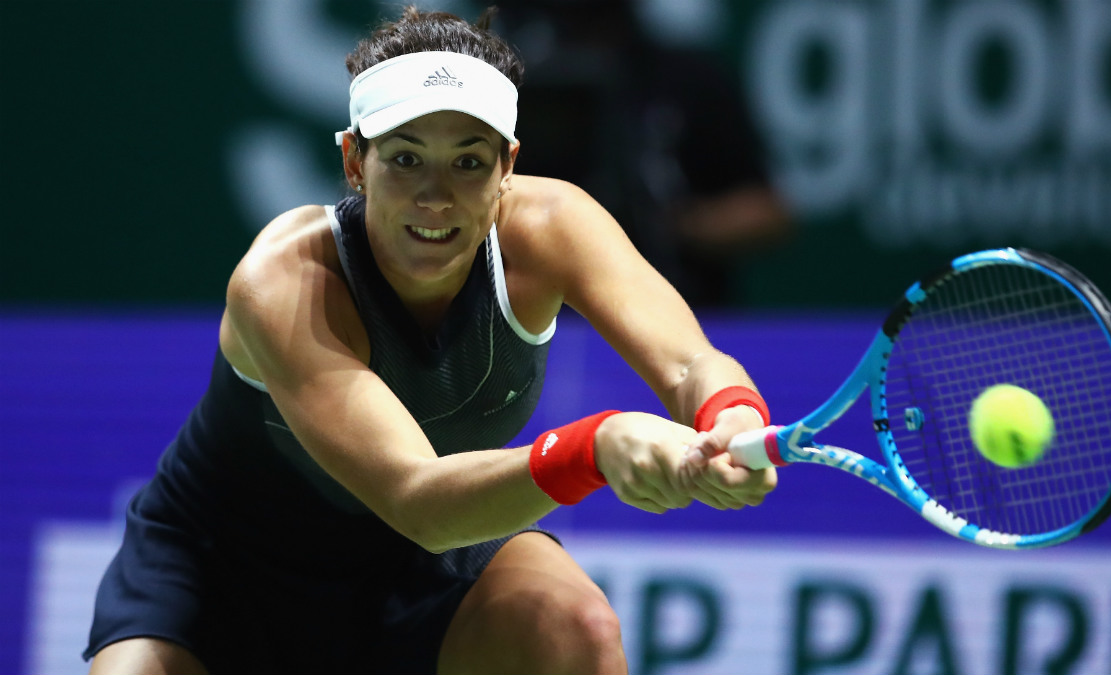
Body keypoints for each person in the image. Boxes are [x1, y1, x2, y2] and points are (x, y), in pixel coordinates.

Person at [84, 7, 777, 674]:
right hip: (224, 579)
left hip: (427, 569)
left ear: (508, 165)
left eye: (468, 163)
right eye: (406, 158)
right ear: (356, 161)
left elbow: (691, 363)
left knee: (574, 629)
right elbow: (418, 498)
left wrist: (729, 419)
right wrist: (594, 447)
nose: (435, 196)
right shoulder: (282, 281)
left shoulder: (556, 226)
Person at [497, 0, 792, 306]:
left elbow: (766, 211)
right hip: (549, 315)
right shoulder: (515, 86)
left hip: (676, 301)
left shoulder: (688, 79)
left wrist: (669, 225)